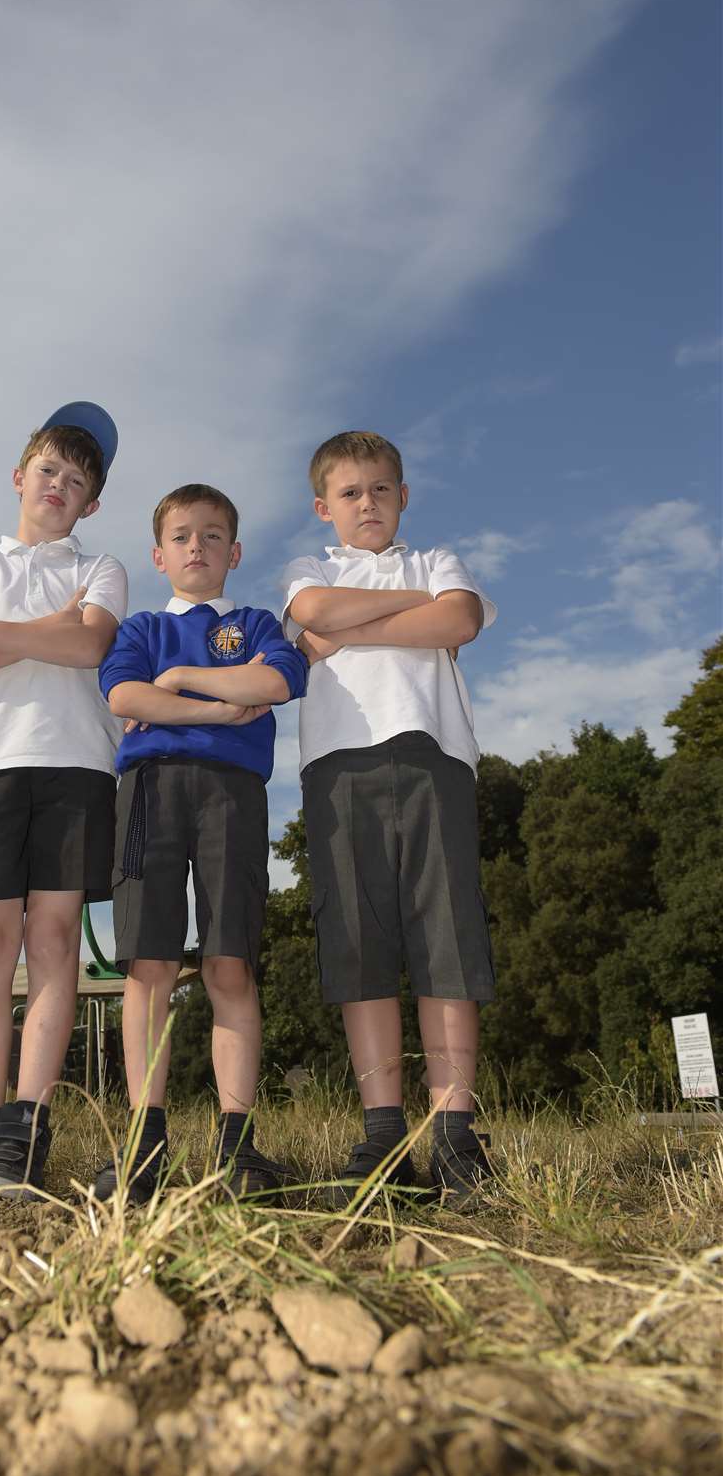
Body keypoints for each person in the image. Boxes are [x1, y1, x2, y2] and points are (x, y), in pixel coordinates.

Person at [281, 431, 497, 1207]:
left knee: (446, 936)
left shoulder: (438, 562)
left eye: (380, 488)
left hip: (435, 755)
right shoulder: (311, 569)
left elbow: (460, 620)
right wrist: (404, 612)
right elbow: (311, 611)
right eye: (350, 492)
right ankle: (381, 1133)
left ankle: (454, 1133)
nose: (366, 502)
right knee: (358, 938)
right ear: (322, 507)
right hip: (339, 766)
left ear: (403, 495)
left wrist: (350, 630)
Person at [0, 402, 126, 1202]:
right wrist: (39, 626)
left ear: (92, 504)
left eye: (77, 481)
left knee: (52, 939)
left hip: (78, 764)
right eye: (49, 470)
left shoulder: (102, 567)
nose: (59, 485)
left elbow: (89, 643)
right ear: (20, 476)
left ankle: (26, 1132)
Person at [94, 484, 309, 1203]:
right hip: (150, 791)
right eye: (182, 535)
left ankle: (237, 1146)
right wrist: (223, 707)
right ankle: (142, 1142)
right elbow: (125, 696)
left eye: (212, 535)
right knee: (149, 965)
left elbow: (278, 678)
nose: (197, 546)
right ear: (159, 554)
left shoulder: (252, 623)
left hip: (232, 793)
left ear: (234, 550)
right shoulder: (142, 628)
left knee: (229, 964)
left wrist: (182, 680)